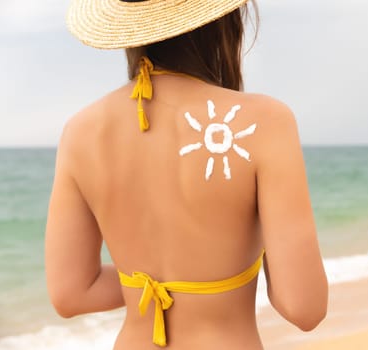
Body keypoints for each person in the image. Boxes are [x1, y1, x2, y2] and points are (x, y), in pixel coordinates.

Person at [45, 0, 328, 349]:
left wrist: (154, 285)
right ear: (224, 22)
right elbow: (304, 306)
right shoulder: (264, 122)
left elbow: (72, 293)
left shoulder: (80, 131)